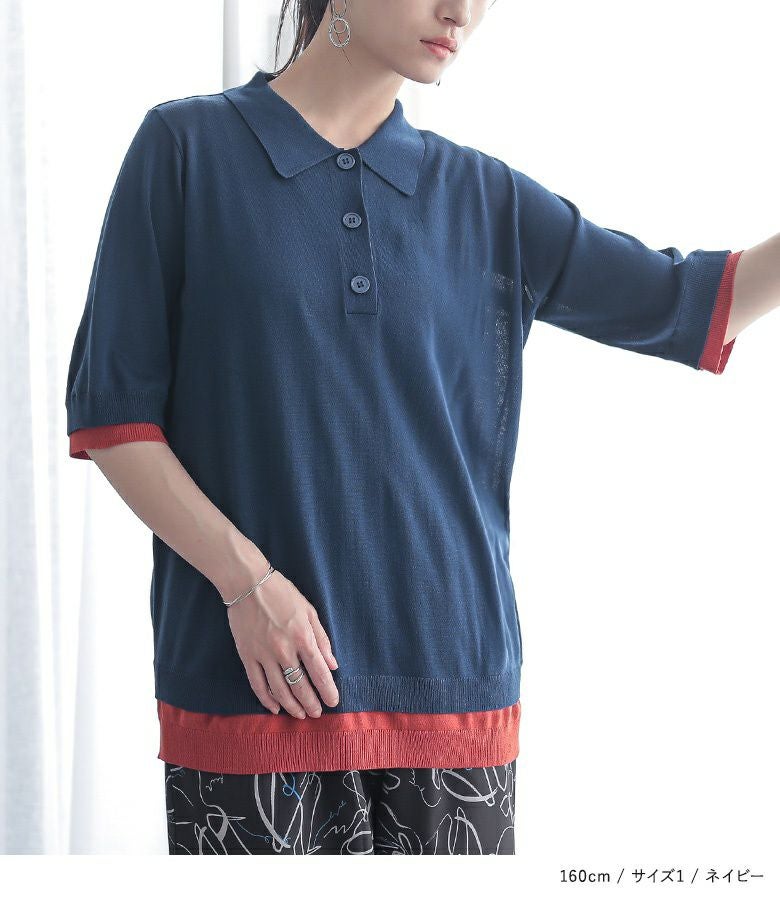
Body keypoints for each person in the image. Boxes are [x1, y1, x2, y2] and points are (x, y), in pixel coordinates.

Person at [65, 0, 771, 855]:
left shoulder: (485, 198)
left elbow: (688, 302)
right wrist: (246, 584)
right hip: (254, 687)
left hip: (454, 699)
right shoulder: (186, 150)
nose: (460, 11)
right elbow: (114, 415)